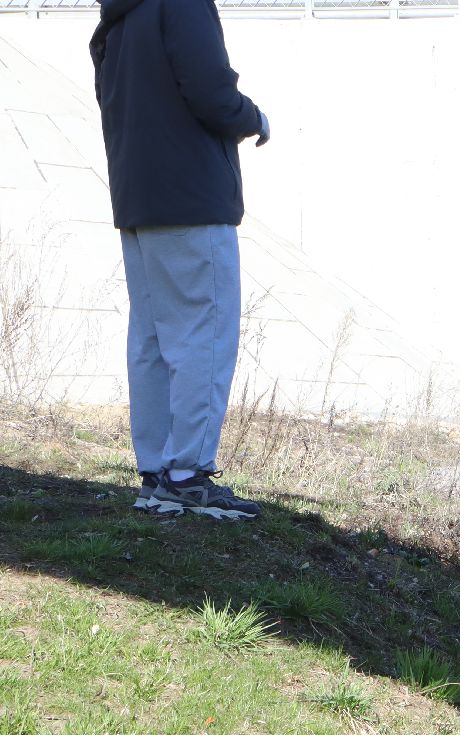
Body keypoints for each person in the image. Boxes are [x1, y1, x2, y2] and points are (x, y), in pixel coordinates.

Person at [92, 0, 270, 521]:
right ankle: (187, 475)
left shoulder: (116, 16)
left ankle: (156, 473)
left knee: (150, 338)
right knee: (205, 332)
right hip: (191, 197)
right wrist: (253, 117)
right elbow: (212, 92)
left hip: (137, 198)